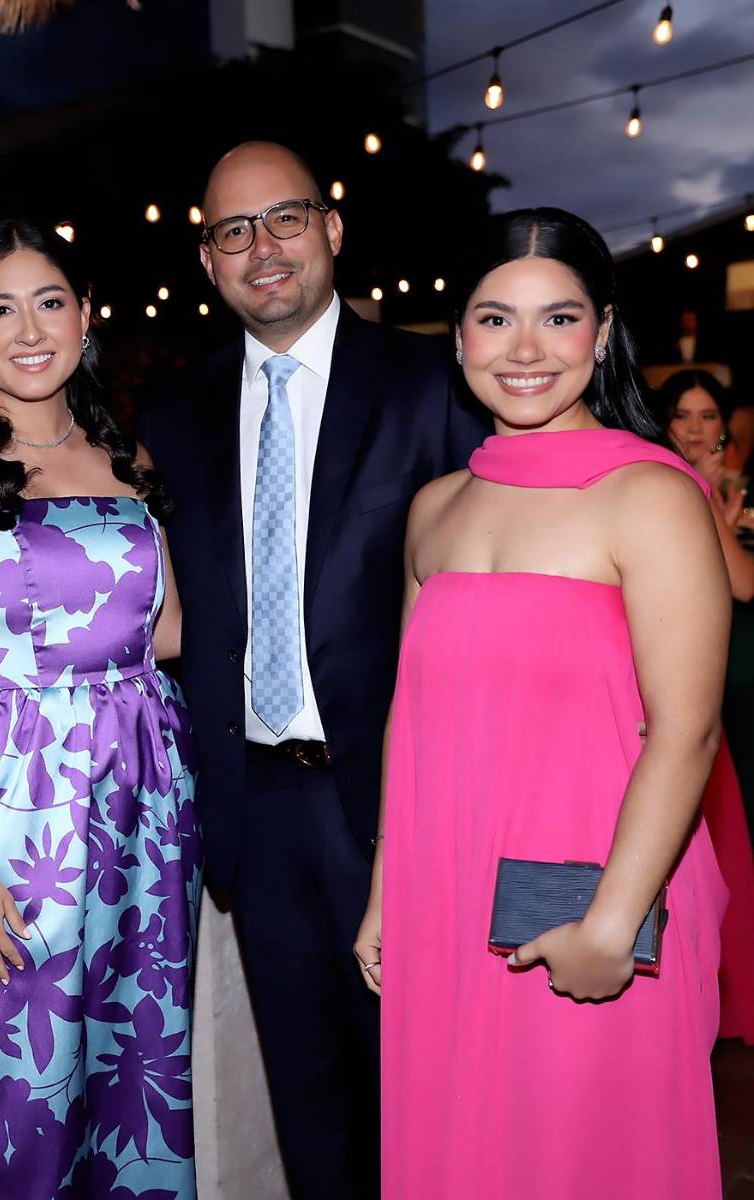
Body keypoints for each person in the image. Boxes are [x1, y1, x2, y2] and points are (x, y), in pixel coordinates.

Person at [140, 140, 489, 1199]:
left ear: (331, 230)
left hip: (405, 803)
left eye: (284, 218)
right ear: (207, 265)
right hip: (256, 808)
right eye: (231, 231)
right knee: (311, 1107)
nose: (261, 248)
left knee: (430, 1097)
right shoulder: (173, 414)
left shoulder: (433, 383)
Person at [359, 208, 728, 1198]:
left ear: (602, 332)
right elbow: (410, 711)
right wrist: (388, 889)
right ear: (459, 334)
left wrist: (612, 923)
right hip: (448, 893)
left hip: (594, 895)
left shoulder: (651, 497)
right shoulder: (436, 506)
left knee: (582, 1161)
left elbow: (687, 730)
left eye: (557, 319)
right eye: (493, 319)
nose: (524, 351)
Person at [0, 218, 199, 1199]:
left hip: (144, 803)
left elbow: (170, 632)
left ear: (85, 317)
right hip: (3, 819)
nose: (29, 329)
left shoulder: (124, 457)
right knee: (25, 1118)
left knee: (140, 1099)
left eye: (49, 302)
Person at [657, 368, 754, 1044]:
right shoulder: (679, 485)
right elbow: (742, 583)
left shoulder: (687, 485)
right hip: (711, 676)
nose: (694, 428)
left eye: (706, 415)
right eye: (681, 415)